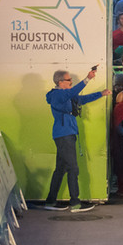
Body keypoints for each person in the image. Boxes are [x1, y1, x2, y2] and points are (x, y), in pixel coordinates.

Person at [44, 66, 110, 212]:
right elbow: (73, 92)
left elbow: (82, 99)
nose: (71, 82)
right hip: (65, 135)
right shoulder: (58, 95)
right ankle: (75, 202)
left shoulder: (65, 96)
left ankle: (50, 201)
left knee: (60, 169)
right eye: (69, 80)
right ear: (60, 82)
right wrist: (87, 79)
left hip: (65, 134)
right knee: (73, 168)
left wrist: (101, 94)